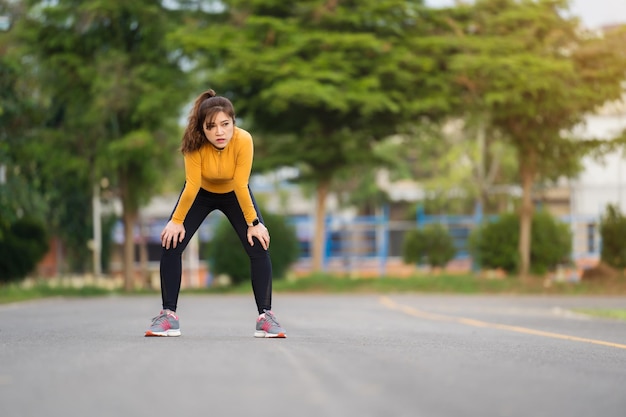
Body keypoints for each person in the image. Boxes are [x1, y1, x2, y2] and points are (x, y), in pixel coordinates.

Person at [145, 88, 286, 338]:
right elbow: (192, 185)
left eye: (225, 124)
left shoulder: (244, 140)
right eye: (211, 126)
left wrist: (254, 223)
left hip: (235, 193)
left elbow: (241, 184)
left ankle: (266, 317)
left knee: (259, 245)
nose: (219, 132)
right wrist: (176, 222)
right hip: (201, 193)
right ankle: (168, 316)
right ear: (202, 129)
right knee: (171, 242)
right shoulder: (193, 144)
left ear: (233, 123)